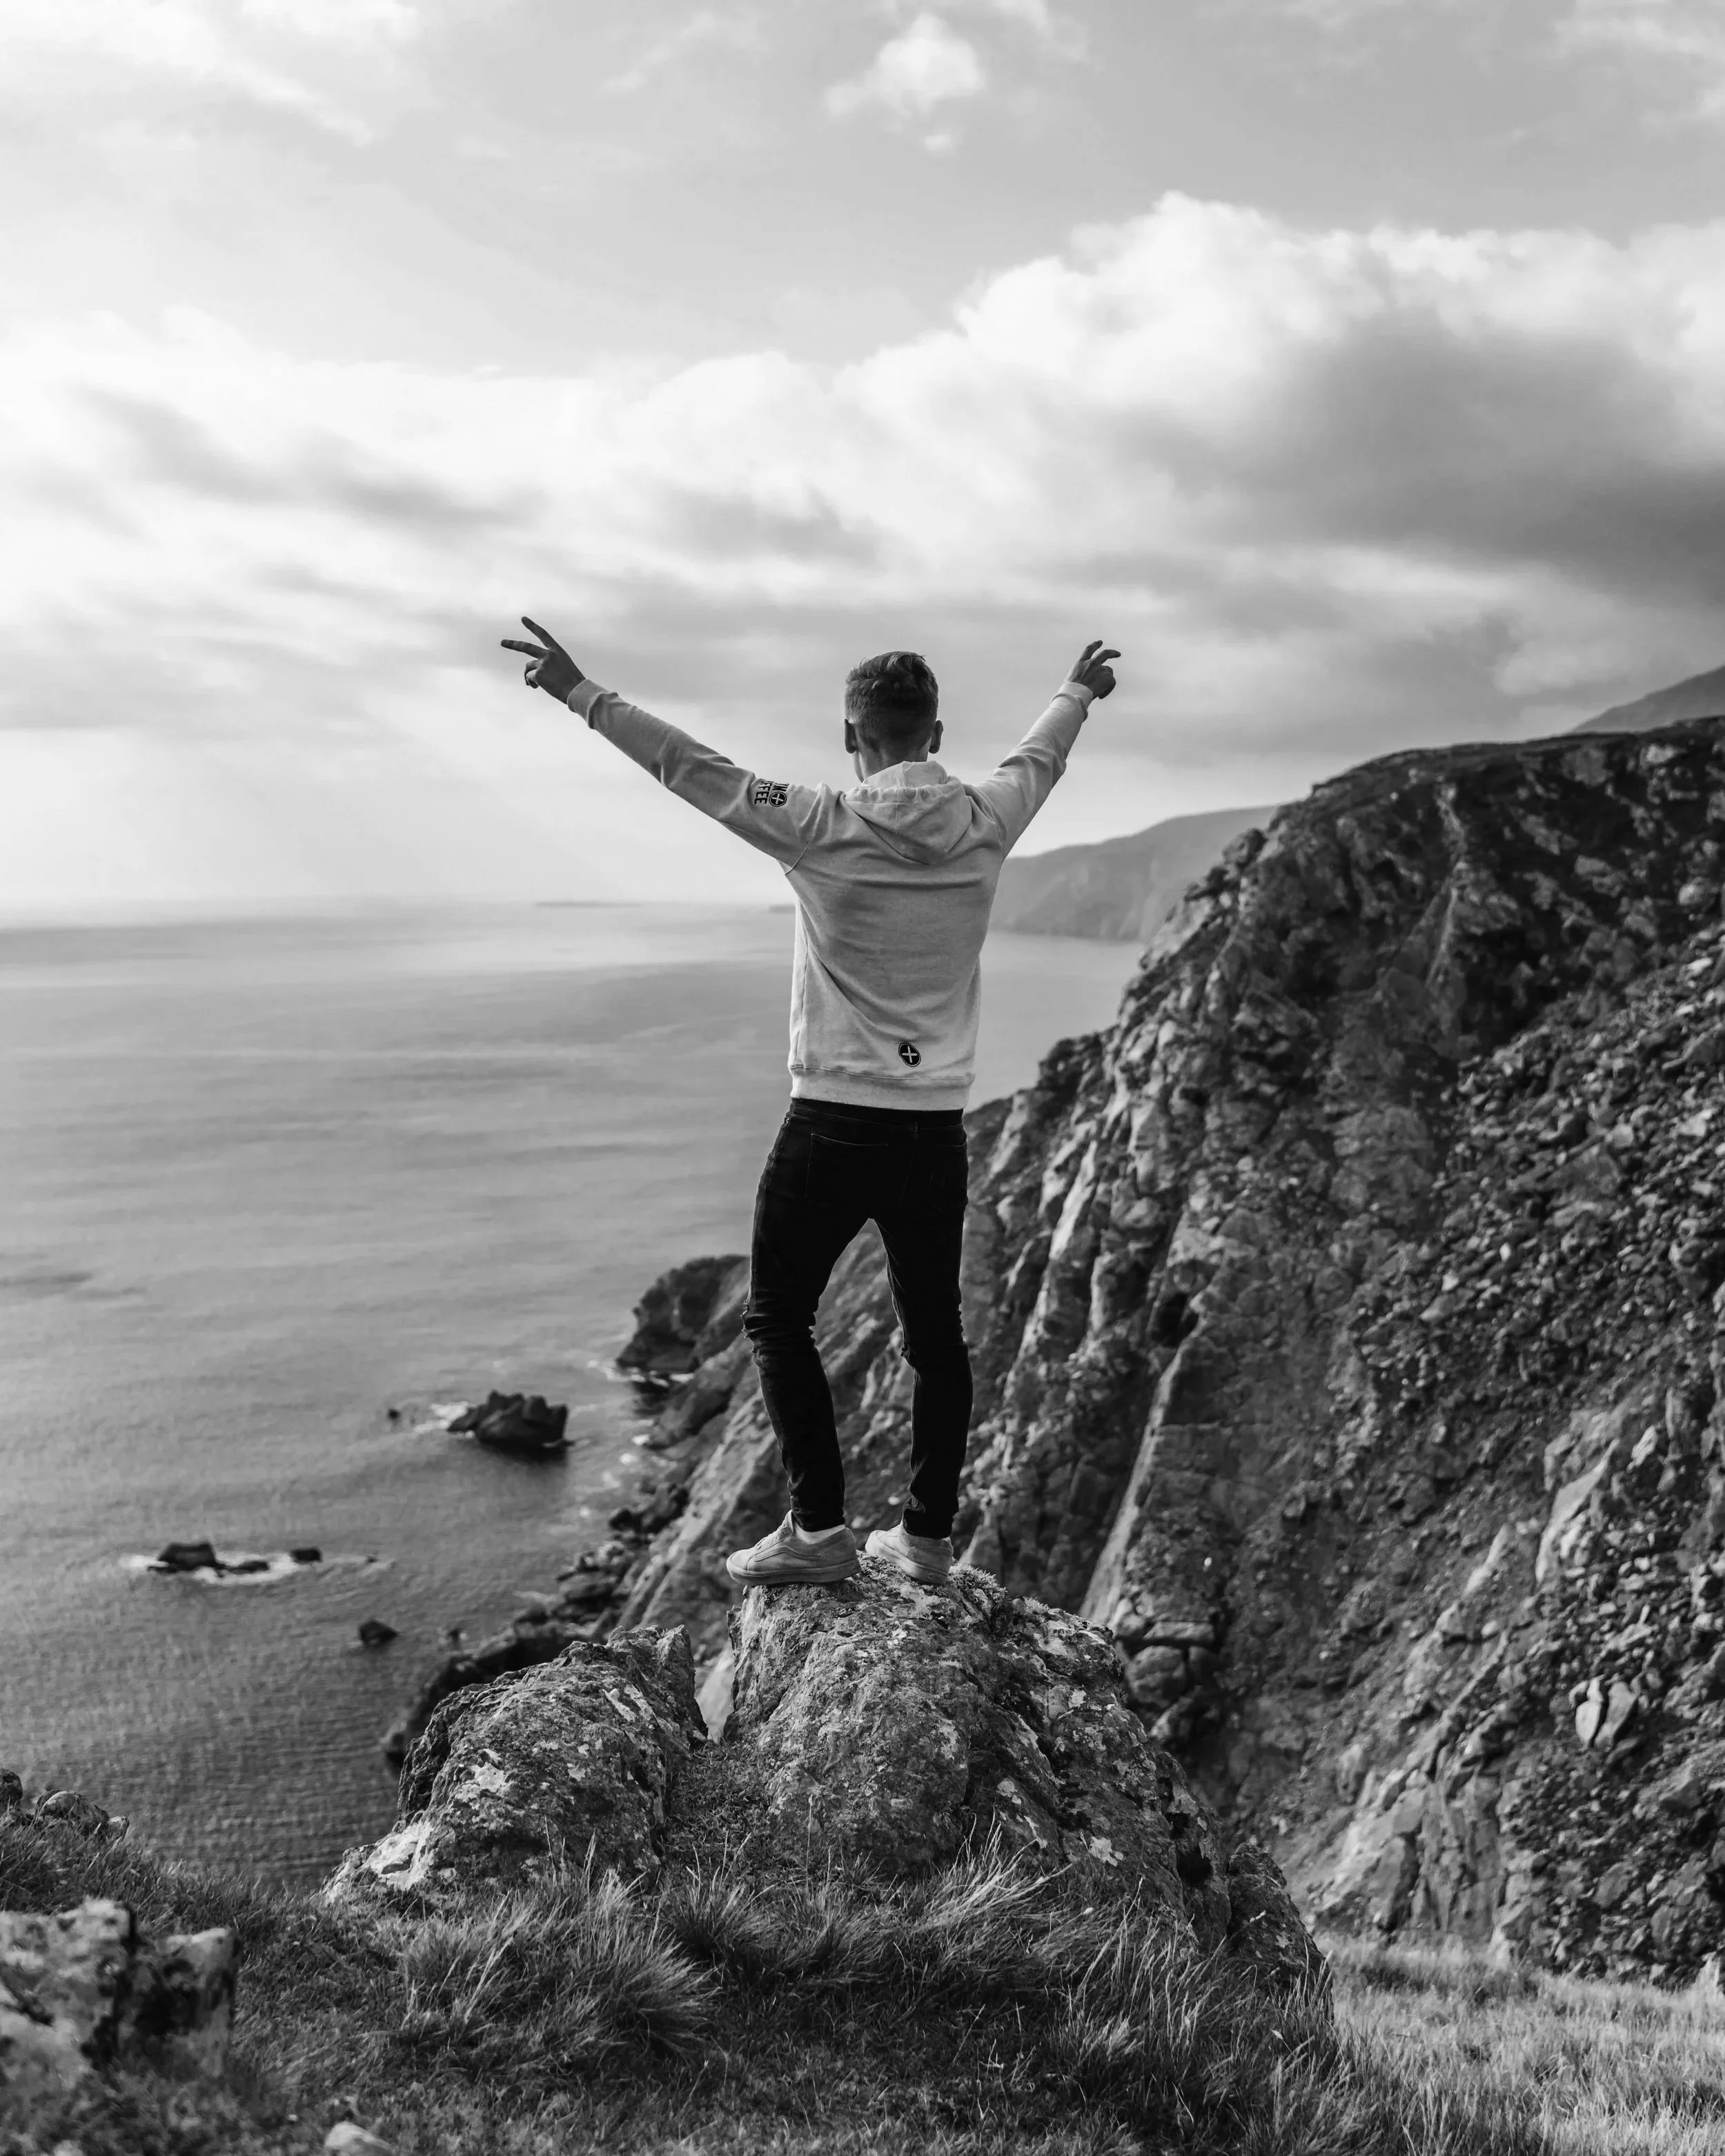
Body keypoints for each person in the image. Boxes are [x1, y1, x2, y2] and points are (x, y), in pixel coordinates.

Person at [500, 620, 1120, 1588]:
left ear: (850, 737)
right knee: (936, 1339)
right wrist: (1076, 690)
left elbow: (690, 768)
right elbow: (1038, 756)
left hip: (831, 1120)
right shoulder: (992, 817)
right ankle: (923, 1541)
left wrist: (582, 693)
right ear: (937, 732)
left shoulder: (819, 820)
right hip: (932, 1130)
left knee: (780, 1319)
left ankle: (819, 1529)